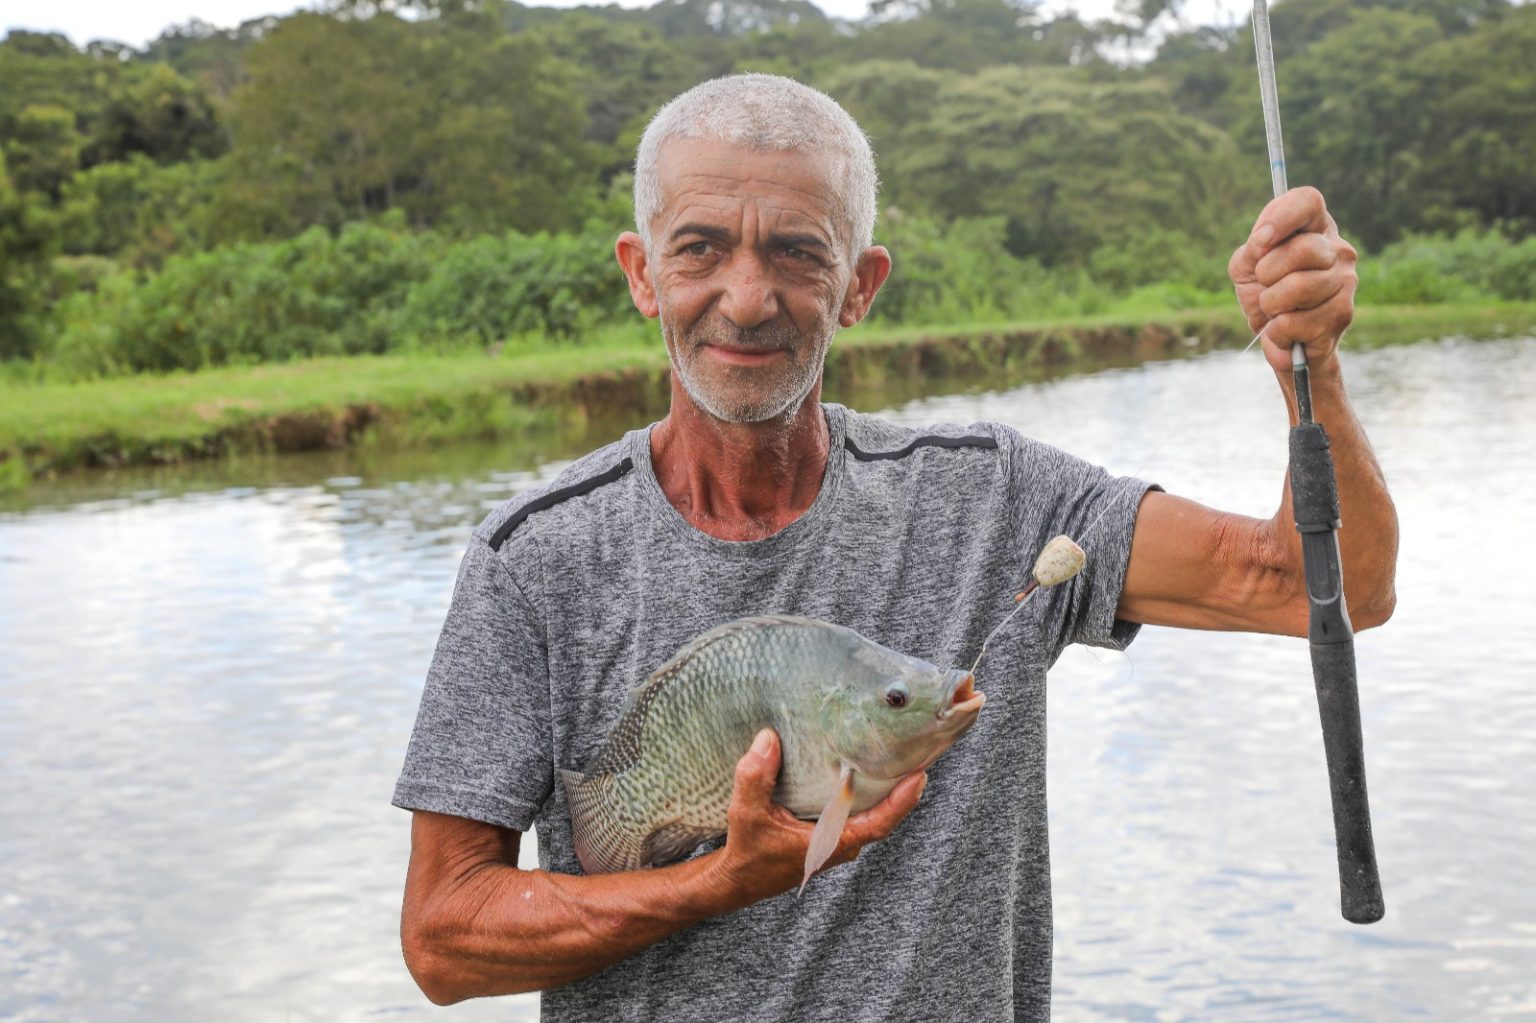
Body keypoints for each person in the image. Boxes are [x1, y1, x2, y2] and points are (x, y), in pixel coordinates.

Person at [391, 74, 1397, 1021]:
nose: (747, 298)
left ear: (860, 285)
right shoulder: (535, 560)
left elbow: (1334, 587)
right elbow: (443, 941)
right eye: (699, 248)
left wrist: (1310, 362)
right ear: (642, 274)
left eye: (797, 252)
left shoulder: (996, 497)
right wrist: (714, 882)